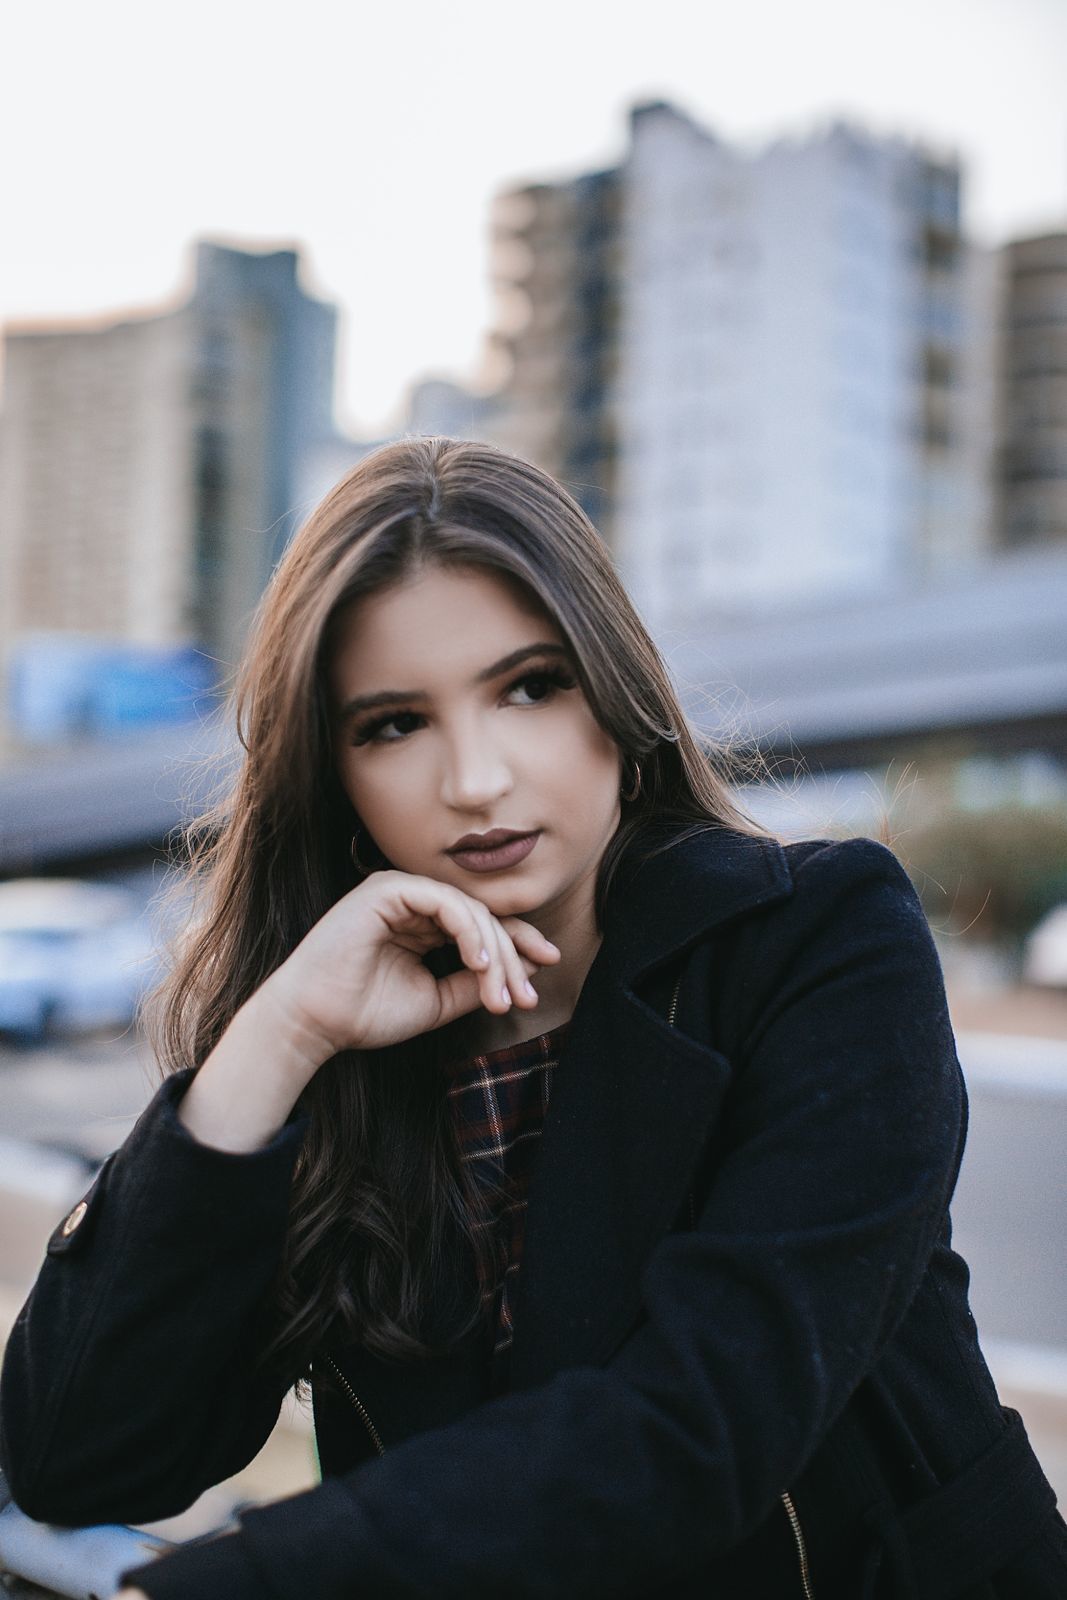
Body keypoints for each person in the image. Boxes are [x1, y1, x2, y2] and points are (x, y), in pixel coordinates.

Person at [1, 437, 1064, 1599]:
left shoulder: (816, 938)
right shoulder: (343, 1035)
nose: (474, 778)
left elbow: (699, 1427)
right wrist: (277, 1037)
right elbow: (75, 1455)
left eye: (529, 686)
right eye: (392, 723)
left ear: (612, 689)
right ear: (333, 769)